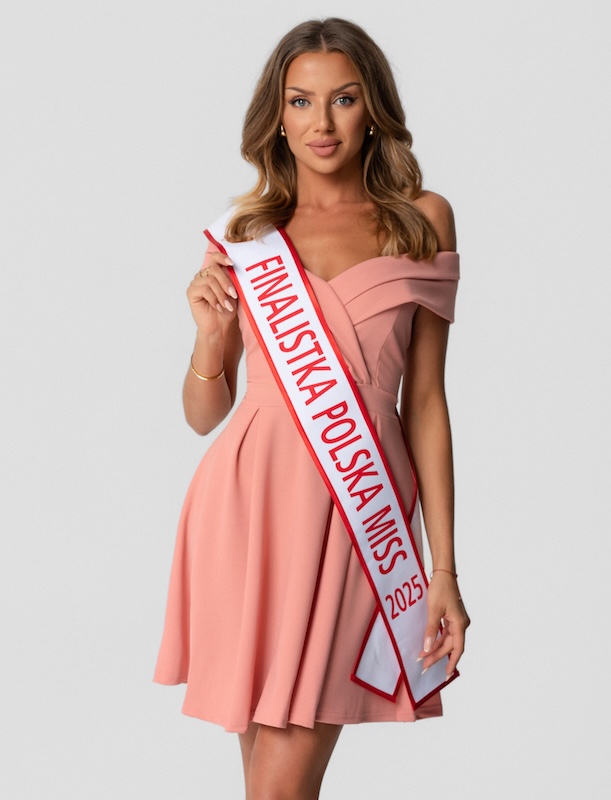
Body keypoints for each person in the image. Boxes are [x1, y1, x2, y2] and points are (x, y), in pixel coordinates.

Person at [154, 17, 470, 799]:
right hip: (246, 510)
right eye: (300, 101)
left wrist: (443, 567)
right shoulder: (246, 236)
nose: (321, 123)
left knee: (278, 787)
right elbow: (204, 414)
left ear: (374, 110)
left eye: (343, 99)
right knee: (269, 786)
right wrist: (210, 339)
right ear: (277, 114)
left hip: (359, 515)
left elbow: (426, 401)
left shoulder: (423, 219)